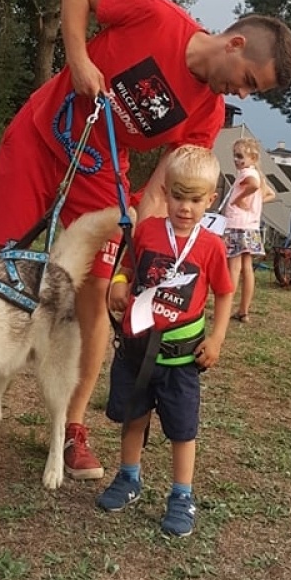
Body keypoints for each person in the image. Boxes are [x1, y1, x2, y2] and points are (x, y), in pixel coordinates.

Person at [0, 0, 291, 480]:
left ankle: (71, 427)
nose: (242, 94)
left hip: (100, 166)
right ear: (235, 44)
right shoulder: (157, 16)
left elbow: (159, 189)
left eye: (251, 91)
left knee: (102, 286)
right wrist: (79, 59)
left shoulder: (207, 115)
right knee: (0, 263)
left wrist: (139, 250)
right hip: (44, 131)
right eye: (249, 81)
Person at [96, 145, 233, 537]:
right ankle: (128, 478)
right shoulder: (148, 230)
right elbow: (126, 267)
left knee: (182, 429)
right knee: (133, 416)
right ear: (166, 192)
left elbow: (224, 292)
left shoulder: (211, 246)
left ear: (210, 199)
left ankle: (181, 494)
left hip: (180, 359)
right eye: (177, 196)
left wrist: (218, 337)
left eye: (194, 199)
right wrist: (119, 286)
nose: (184, 207)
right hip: (138, 351)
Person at [223, 135, 270, 323]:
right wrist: (254, 203)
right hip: (251, 226)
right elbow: (267, 192)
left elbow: (254, 185)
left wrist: (237, 199)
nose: (237, 160)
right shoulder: (255, 173)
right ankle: (243, 310)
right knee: (247, 269)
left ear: (253, 158)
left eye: (241, 156)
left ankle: (225, 309)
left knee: (234, 268)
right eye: (235, 156)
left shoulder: (247, 174)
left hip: (237, 225)